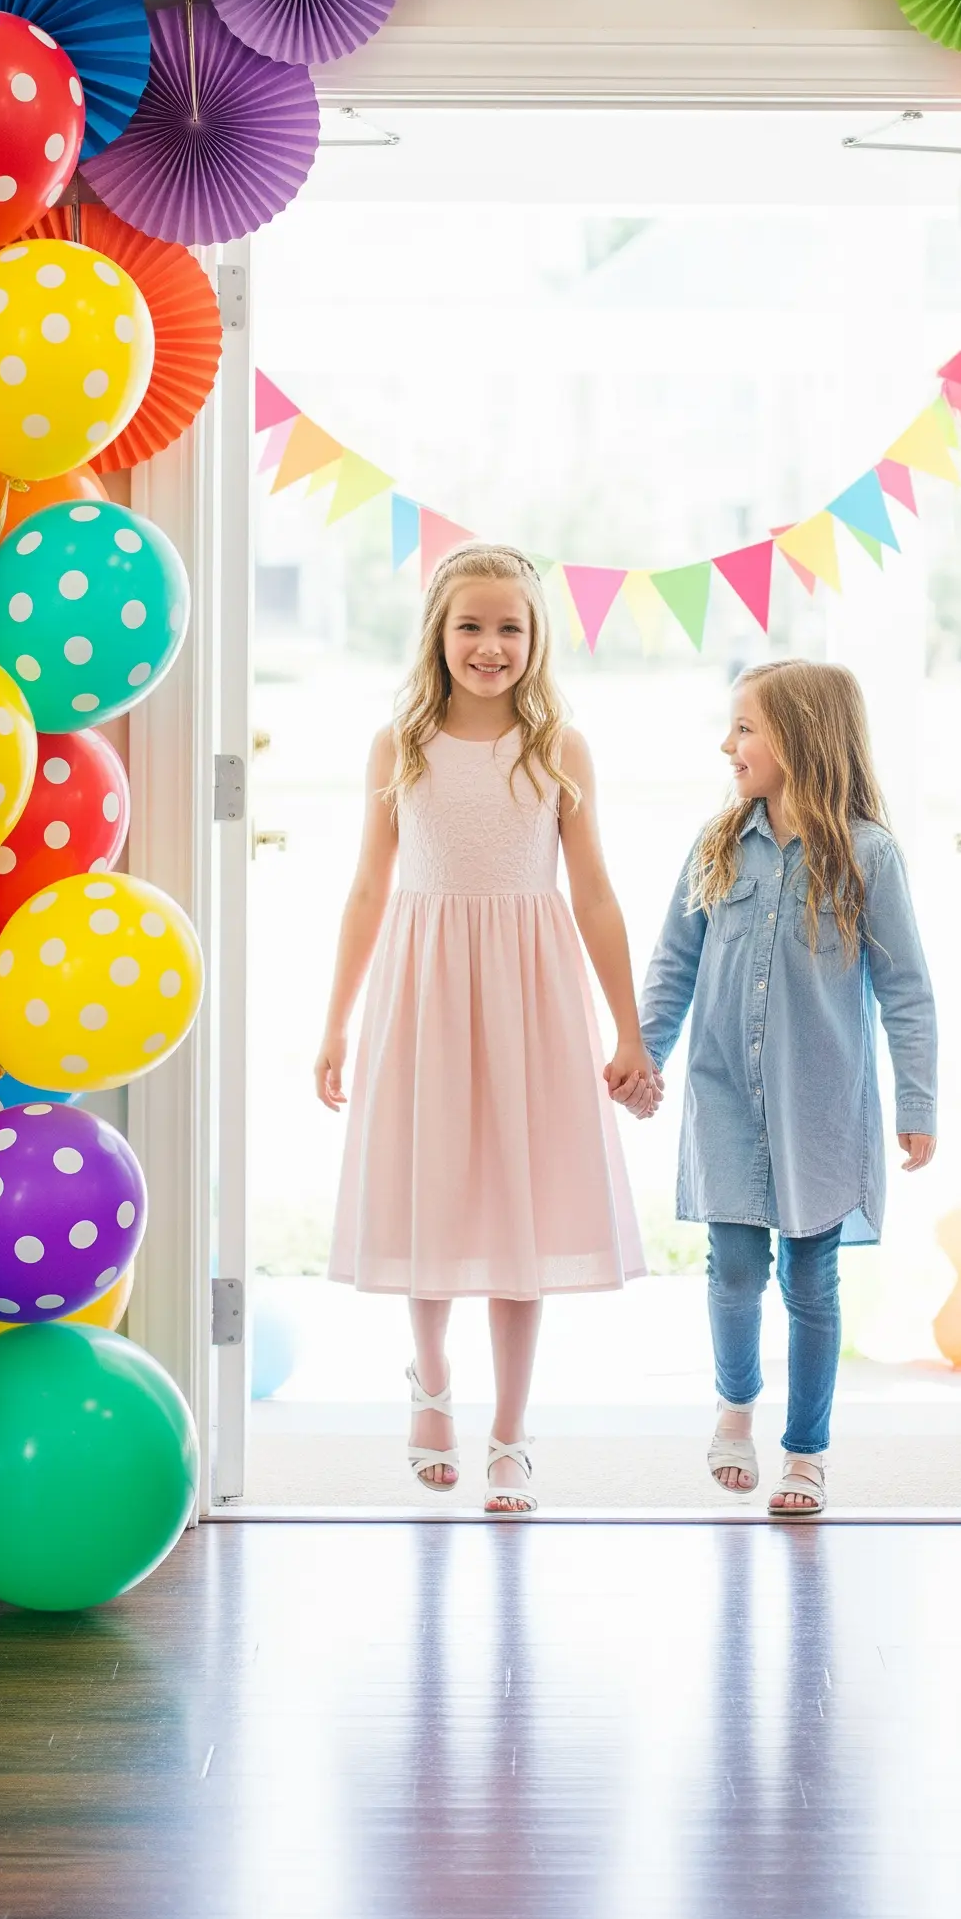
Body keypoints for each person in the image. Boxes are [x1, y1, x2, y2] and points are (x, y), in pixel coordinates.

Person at [317, 544, 660, 1514]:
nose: (490, 644)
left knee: (520, 1203)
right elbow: (367, 887)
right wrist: (335, 1023)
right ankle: (429, 1384)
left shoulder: (561, 746)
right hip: (424, 984)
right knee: (435, 1187)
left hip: (531, 987)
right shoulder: (401, 743)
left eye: (511, 626)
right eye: (471, 624)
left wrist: (627, 1029)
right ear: (438, 632)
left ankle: (512, 1430)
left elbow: (592, 891)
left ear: (536, 638)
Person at [639, 660, 936, 1519]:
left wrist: (917, 1104)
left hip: (821, 1106)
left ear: (800, 739)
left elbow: (907, 990)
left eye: (745, 729)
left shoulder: (869, 855)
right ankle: (736, 1405)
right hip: (724, 1095)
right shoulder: (717, 844)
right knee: (733, 1266)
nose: (728, 745)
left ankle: (805, 1451)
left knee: (813, 1278)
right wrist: (643, 1055)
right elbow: (673, 964)